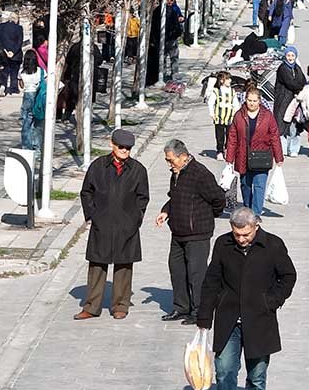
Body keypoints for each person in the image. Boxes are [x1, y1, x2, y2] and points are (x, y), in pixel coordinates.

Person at [197, 206, 298, 390]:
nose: (241, 239)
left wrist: (271, 300)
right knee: (224, 372)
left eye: (246, 234)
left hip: (260, 320)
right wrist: (204, 317)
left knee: (257, 376)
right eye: (237, 234)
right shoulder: (223, 245)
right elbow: (211, 281)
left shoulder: (273, 245)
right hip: (228, 319)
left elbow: (289, 276)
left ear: (256, 226)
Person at [75, 129, 150, 321]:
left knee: (124, 266)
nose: (125, 150)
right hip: (102, 223)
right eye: (121, 147)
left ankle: (120, 305)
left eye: (128, 148)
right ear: (112, 145)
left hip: (127, 225)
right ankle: (91, 306)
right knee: (97, 265)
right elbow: (86, 192)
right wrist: (92, 215)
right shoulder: (98, 166)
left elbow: (143, 198)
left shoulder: (138, 170)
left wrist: (135, 218)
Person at [154, 139, 224, 324]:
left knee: (196, 274)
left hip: (197, 234)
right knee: (177, 270)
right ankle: (181, 308)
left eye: (171, 160)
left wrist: (205, 217)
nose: (169, 164)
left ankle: (199, 311)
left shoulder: (200, 174)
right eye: (167, 160)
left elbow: (218, 199)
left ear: (183, 156)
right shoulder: (175, 173)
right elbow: (174, 197)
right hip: (177, 232)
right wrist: (166, 211)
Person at [225, 88, 284, 217]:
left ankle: (256, 214)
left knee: (259, 186)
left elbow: (274, 136)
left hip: (261, 156)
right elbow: (232, 138)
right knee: (245, 186)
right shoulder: (239, 115)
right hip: (243, 156)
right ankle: (247, 208)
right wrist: (229, 158)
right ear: (245, 100)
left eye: (254, 101)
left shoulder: (267, 116)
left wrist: (279, 157)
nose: (251, 103)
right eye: (249, 100)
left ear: (259, 101)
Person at [274, 47, 308, 156]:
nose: (290, 58)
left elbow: (303, 80)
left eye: (292, 56)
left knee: (295, 124)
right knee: (282, 125)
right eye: (288, 55)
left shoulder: (297, 68)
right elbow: (290, 83)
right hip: (283, 99)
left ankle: (293, 149)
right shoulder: (282, 68)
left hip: (295, 100)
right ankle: (282, 150)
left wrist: (301, 88)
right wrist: (300, 88)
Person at [206, 71, 240, 160]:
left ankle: (228, 149)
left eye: (230, 79)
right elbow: (211, 103)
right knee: (220, 135)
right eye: (227, 79)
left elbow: (236, 103)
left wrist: (237, 112)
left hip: (230, 117)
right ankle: (220, 151)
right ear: (221, 80)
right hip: (219, 117)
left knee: (230, 134)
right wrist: (212, 113)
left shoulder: (232, 91)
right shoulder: (216, 91)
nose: (230, 80)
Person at [17, 50, 43, 152]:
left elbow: (21, 85)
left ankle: (26, 146)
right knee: (37, 124)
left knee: (26, 123)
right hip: (37, 97)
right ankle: (37, 147)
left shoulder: (22, 72)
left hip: (27, 96)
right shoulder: (40, 71)